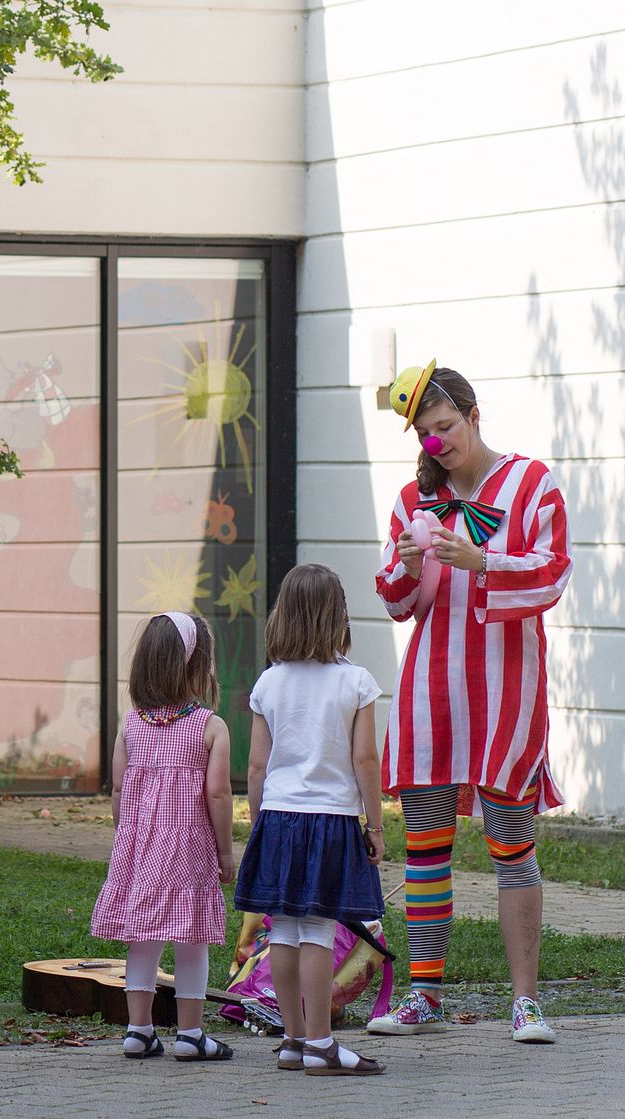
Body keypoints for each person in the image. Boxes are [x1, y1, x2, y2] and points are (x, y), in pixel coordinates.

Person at [368, 360, 572, 1044]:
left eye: (446, 426)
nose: (437, 443)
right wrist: (407, 562)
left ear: (474, 415)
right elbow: (398, 604)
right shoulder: (411, 498)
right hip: (432, 691)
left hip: (508, 691)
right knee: (425, 846)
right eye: (425, 434)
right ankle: (423, 994)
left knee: (511, 843)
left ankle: (526, 1002)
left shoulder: (532, 482)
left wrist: (480, 561)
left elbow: (551, 575)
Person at [235, 563, 387, 1076]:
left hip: (278, 816)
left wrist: (260, 822)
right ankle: (323, 1044)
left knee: (283, 927)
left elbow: (257, 764)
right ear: (338, 616)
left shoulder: (268, 683)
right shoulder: (357, 682)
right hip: (331, 820)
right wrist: (375, 823)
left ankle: (293, 1041)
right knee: (319, 928)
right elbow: (364, 760)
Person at [91, 611, 235, 1062]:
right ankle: (191, 1035)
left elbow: (118, 789)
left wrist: (128, 836)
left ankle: (139, 1029)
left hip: (141, 846)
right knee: (191, 937)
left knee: (144, 935)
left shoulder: (130, 725)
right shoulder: (210, 727)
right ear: (196, 667)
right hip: (189, 846)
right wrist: (226, 851)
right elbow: (217, 793)